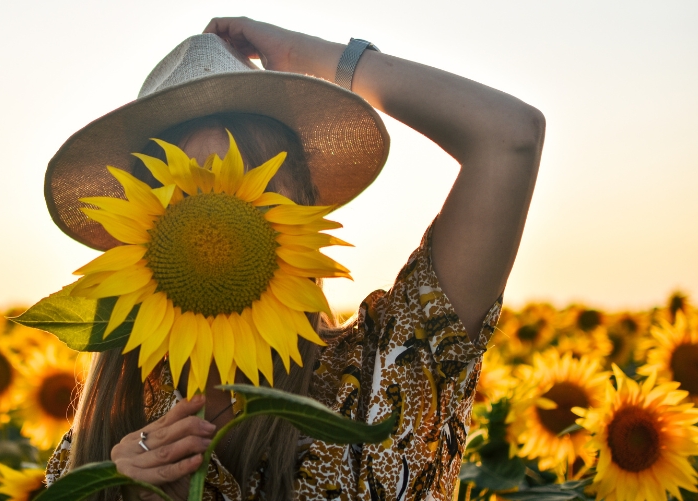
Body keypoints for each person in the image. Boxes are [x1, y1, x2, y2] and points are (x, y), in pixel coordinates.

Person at [42, 17, 544, 501]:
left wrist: (310, 58)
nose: (219, 216)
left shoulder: (386, 372)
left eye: (253, 177)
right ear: (139, 230)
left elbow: (508, 135)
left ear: (302, 204)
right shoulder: (102, 448)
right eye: (185, 193)